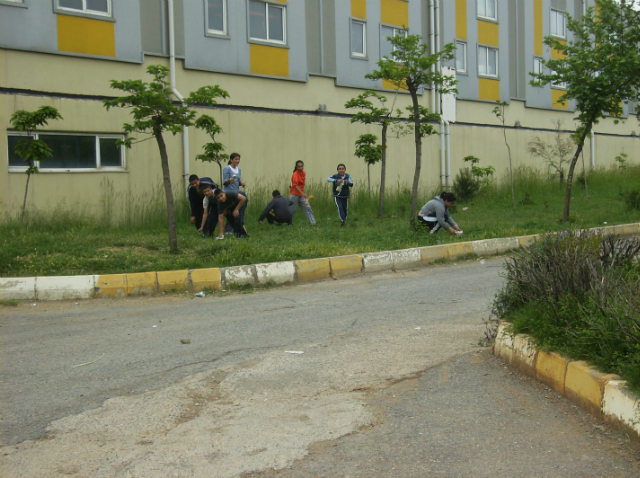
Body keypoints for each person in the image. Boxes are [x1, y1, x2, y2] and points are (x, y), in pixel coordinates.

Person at [222, 153, 245, 233]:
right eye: (235, 159)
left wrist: (241, 183)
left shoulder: (239, 169)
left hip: (236, 192)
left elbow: (238, 181)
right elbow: (224, 182)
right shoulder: (227, 168)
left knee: (236, 210)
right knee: (230, 210)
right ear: (231, 160)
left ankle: (235, 227)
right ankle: (228, 229)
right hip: (229, 192)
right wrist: (229, 180)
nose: (237, 161)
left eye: (238, 159)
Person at [289, 160, 316, 225]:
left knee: (307, 207)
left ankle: (312, 222)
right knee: (293, 209)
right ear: (296, 167)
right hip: (294, 195)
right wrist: (303, 193)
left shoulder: (303, 173)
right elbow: (295, 185)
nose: (300, 168)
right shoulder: (295, 174)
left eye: (302, 166)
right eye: (299, 167)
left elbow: (300, 184)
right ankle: (288, 222)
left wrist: (302, 193)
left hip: (301, 195)